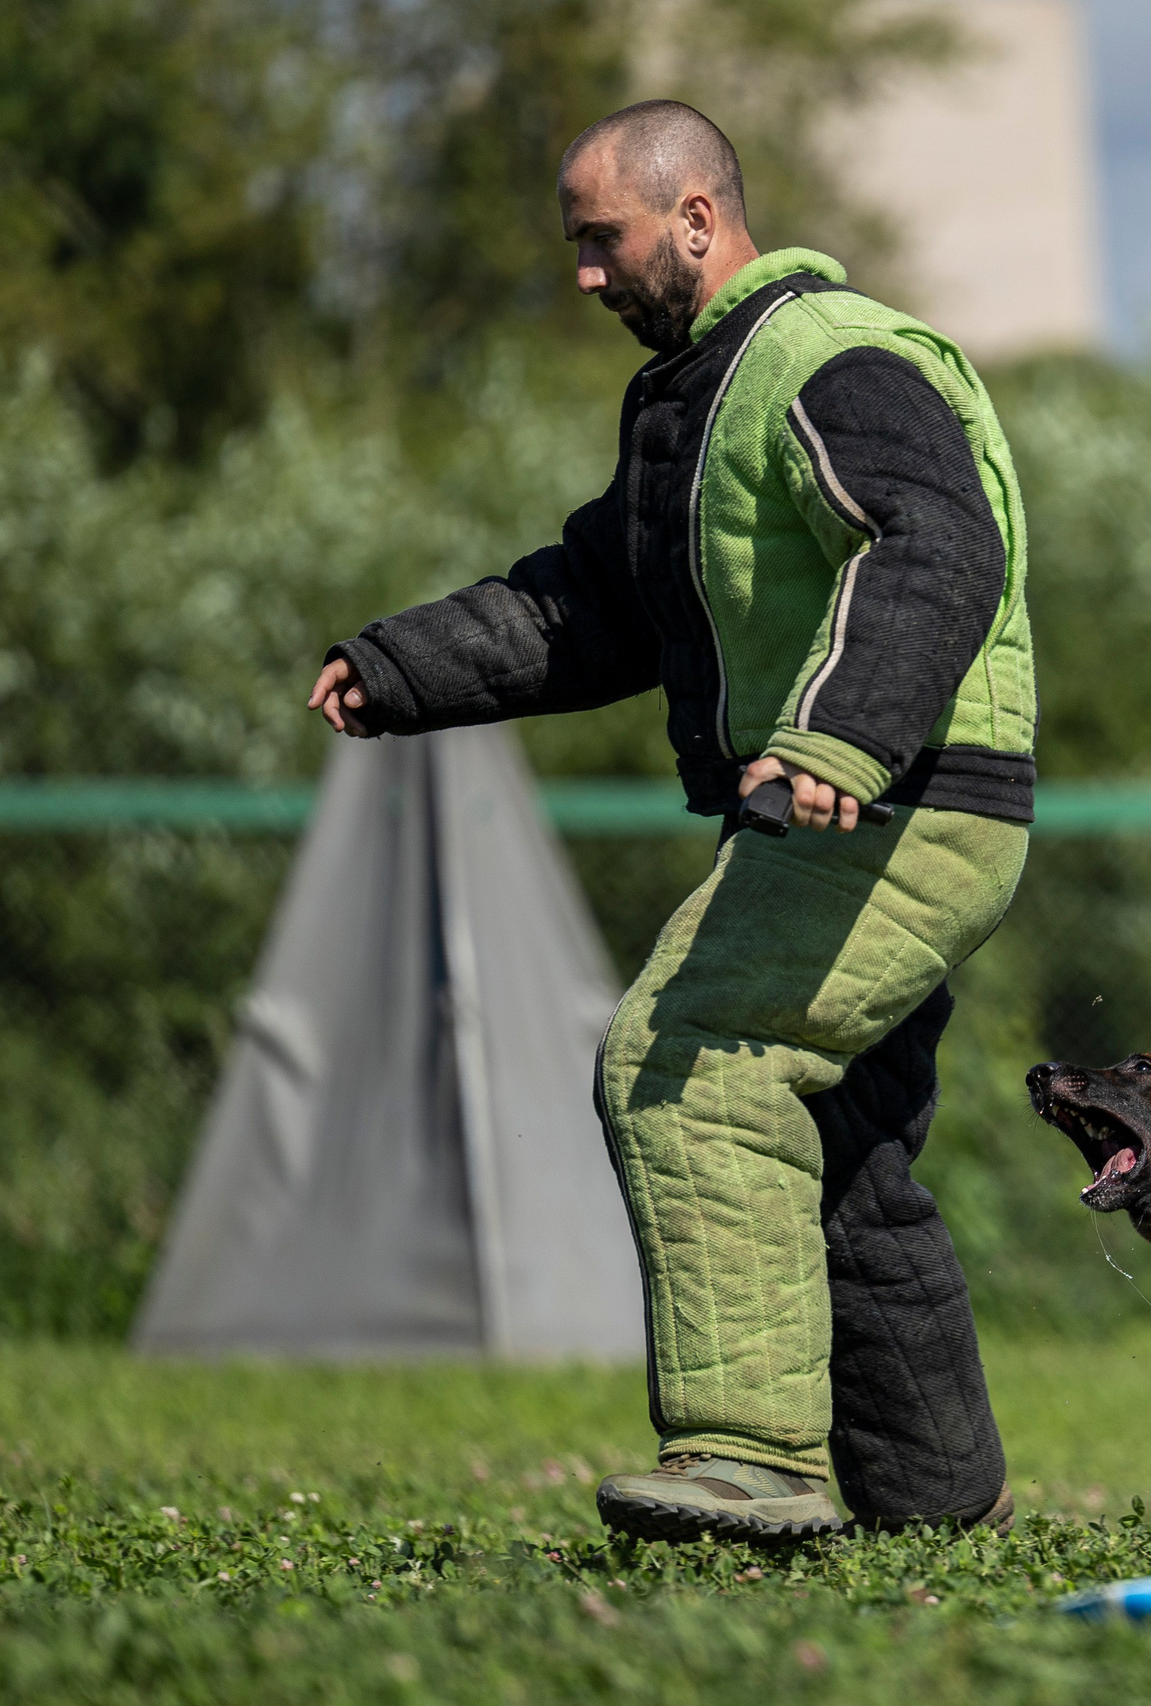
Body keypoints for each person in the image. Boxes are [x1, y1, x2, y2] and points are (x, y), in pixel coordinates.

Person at [306, 100, 1035, 1541]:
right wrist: (398, 667)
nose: (582, 273)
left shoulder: (837, 359)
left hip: (890, 797)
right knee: (838, 1153)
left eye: (602, 240)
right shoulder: (706, 401)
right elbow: (590, 604)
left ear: (697, 219)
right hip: (859, 794)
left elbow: (940, 539)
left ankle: (748, 1458)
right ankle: (940, 1508)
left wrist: (844, 731)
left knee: (689, 1061)